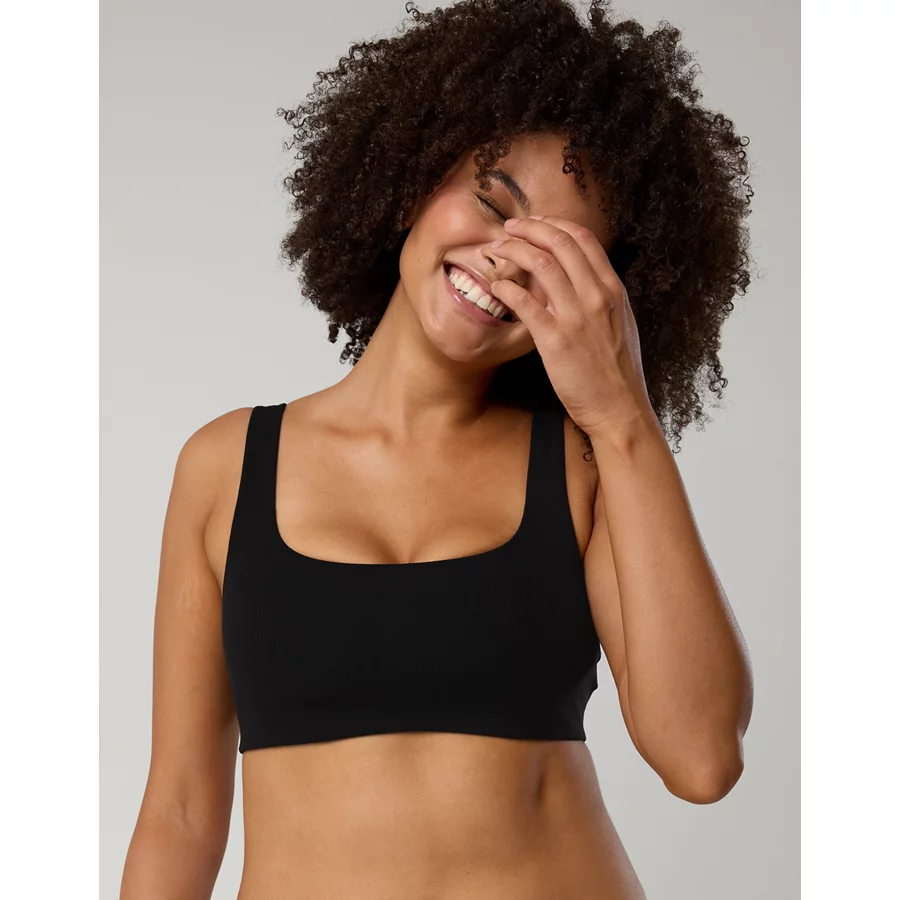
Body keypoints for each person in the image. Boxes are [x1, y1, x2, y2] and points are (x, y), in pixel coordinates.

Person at [120, 1, 755, 897]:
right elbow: (182, 811)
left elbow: (702, 759)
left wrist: (623, 417)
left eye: (560, 258)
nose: (505, 260)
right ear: (414, 172)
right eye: (493, 201)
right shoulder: (225, 466)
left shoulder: (587, 466)